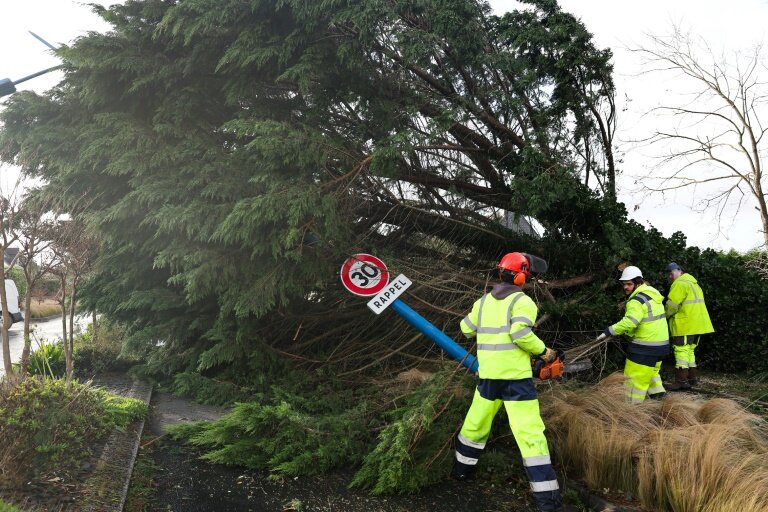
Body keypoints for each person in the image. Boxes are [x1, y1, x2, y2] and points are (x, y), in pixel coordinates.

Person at [453, 252, 562, 512]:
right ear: (522, 276)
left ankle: (461, 472)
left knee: (475, 424)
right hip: (515, 379)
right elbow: (520, 334)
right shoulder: (522, 302)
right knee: (530, 434)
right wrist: (544, 353)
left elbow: (465, 328)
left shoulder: (483, 302)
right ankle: (548, 502)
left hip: (488, 375)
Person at [596, 266, 669, 403]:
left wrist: (609, 331)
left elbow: (630, 322)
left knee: (633, 381)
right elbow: (645, 321)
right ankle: (662, 403)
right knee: (651, 374)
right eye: (624, 284)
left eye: (629, 284)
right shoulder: (652, 293)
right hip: (661, 346)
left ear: (638, 282)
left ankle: (632, 411)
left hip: (645, 347)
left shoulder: (636, 300)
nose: (626, 287)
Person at [664, 262, 714, 389]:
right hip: (698, 324)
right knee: (690, 351)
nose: (670, 277)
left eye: (671, 273)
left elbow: (672, 305)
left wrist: (664, 316)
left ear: (679, 271)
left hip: (685, 324)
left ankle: (681, 382)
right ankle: (691, 379)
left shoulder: (680, 284)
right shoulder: (694, 284)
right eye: (668, 274)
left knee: (681, 350)